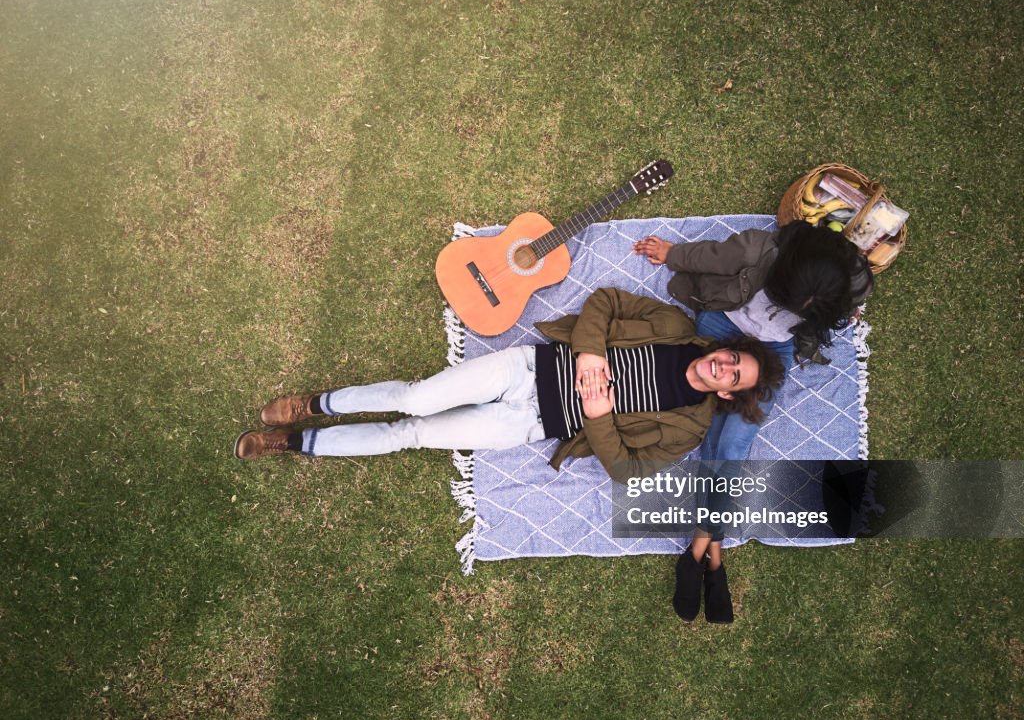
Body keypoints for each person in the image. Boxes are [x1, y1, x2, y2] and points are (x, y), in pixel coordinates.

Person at [235, 287, 784, 485]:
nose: (725, 369)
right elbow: (607, 300)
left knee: (414, 433)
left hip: (530, 423)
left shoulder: (689, 428)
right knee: (415, 397)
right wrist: (590, 351)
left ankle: (297, 443)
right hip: (527, 369)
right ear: (724, 348)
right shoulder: (673, 327)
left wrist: (596, 413)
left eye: (735, 378)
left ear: (730, 394)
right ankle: (314, 404)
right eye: (732, 358)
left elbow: (626, 471)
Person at [634, 220, 873, 623]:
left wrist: (841, 312)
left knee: (732, 444)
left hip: (775, 349)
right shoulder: (758, 250)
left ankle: (700, 548)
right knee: (713, 428)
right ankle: (712, 557)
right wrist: (672, 253)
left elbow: (851, 300)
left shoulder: (849, 281)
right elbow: (711, 256)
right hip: (725, 325)